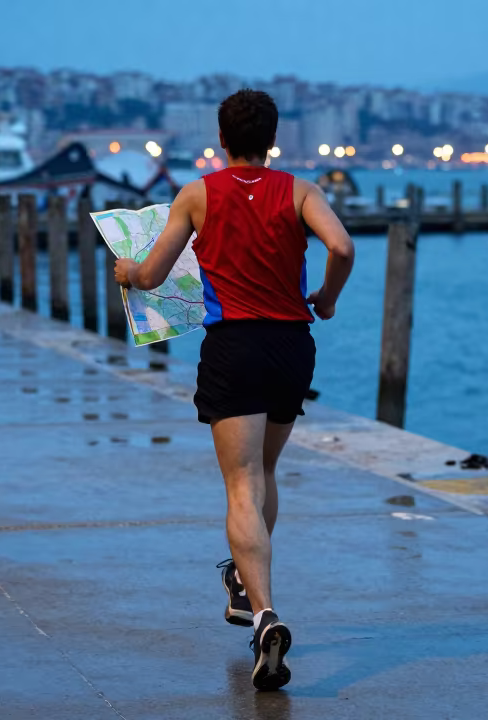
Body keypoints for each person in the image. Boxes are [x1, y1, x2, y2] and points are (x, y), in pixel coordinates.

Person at [113, 89, 355, 691]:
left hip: (234, 348)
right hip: (292, 347)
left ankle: (264, 612)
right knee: (264, 473)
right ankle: (246, 589)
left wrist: (127, 272)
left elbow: (153, 274)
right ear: (272, 140)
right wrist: (327, 299)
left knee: (242, 483)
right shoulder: (300, 191)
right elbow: (342, 247)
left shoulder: (197, 194)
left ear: (222, 139)